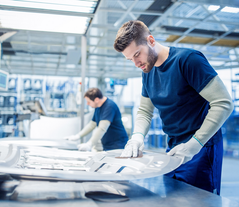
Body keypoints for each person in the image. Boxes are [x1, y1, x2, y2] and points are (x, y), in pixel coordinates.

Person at [113, 20, 234, 195]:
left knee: (199, 200)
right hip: (173, 149)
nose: (136, 63)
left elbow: (223, 102)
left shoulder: (188, 60)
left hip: (202, 148)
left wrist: (195, 143)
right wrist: (137, 138)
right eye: (130, 58)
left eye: (137, 54)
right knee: (174, 198)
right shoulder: (148, 73)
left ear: (151, 41)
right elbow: (145, 111)